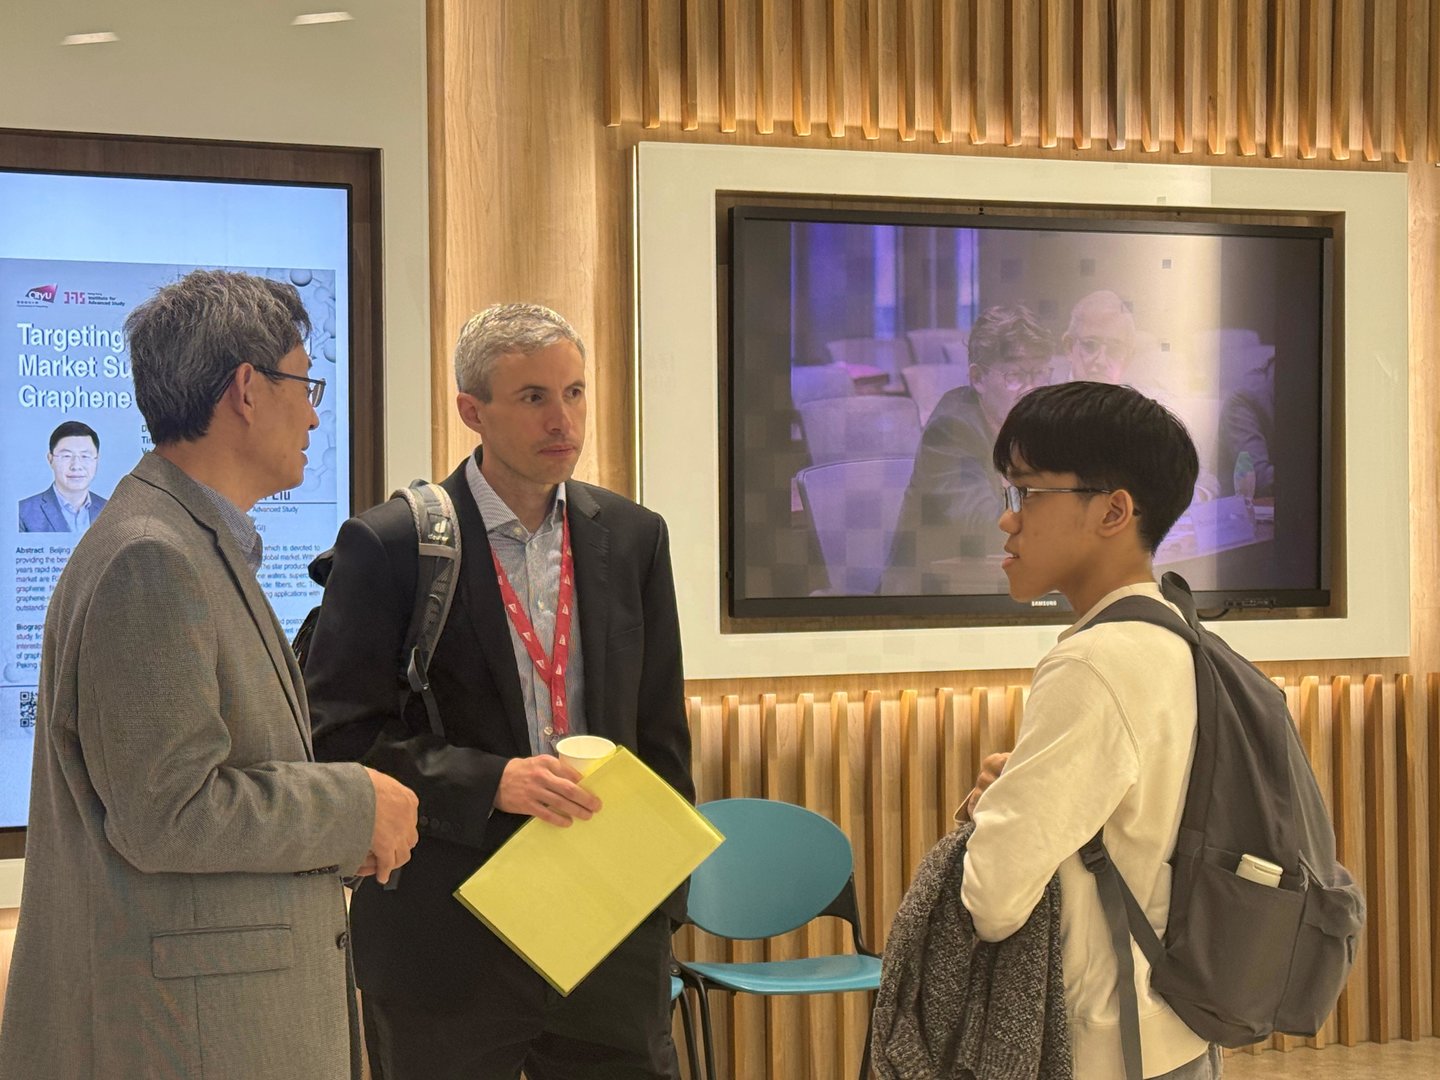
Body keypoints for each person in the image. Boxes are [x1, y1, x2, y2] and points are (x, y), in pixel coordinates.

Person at [0, 270, 420, 1080]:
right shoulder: (150, 557)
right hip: (183, 1041)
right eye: (305, 384)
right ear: (247, 390)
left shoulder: (181, 540)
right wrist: (355, 806)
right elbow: (168, 809)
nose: (316, 413)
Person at [304, 302, 693, 1080]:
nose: (563, 420)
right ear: (471, 411)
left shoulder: (632, 536)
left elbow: (661, 734)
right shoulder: (392, 544)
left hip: (606, 923)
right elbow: (338, 739)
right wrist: (493, 782)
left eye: (575, 392)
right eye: (533, 397)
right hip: (448, 928)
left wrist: (660, 906)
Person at [957, 380, 1221, 1078]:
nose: (1007, 520)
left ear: (1113, 511)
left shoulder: (1092, 663)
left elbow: (993, 899)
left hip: (1104, 1042)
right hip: (1174, 1026)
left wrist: (994, 810)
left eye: (1027, 492)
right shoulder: (1175, 634)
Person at [881, 305, 1053, 593]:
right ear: (978, 378)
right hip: (930, 597)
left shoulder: (1036, 429)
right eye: (1015, 375)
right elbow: (985, 525)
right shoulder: (951, 429)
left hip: (1000, 582)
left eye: (1039, 374)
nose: (1032, 390)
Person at [17, 420, 109, 533]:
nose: (76, 466)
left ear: (97, 460)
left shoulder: (110, 509)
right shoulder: (22, 513)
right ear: (50, 459)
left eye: (85, 456)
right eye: (66, 456)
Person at [1061, 289, 1135, 384]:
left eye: (1114, 350)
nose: (1101, 362)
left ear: (1128, 359)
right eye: (1091, 345)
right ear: (1069, 347)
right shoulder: (1045, 391)